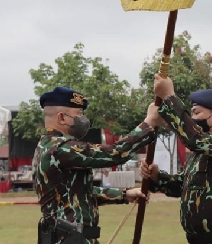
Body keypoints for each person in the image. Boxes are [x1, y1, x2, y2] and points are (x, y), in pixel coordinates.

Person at [32, 87, 159, 244]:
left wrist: (124, 195)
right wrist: (148, 123)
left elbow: (81, 193)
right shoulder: (60, 148)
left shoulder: (47, 145)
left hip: (71, 237)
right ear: (62, 118)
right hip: (69, 238)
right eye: (79, 114)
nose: (83, 119)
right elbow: (114, 153)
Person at [140, 75, 212, 244]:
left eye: (196, 113)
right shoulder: (199, 153)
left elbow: (193, 139)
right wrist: (156, 176)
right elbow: (181, 186)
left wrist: (169, 97)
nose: (192, 119)